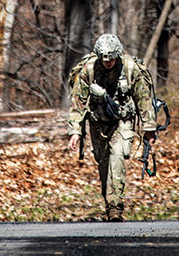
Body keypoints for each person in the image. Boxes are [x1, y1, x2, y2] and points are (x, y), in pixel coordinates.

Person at [67, 33, 157, 221]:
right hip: (97, 123)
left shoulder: (131, 69)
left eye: (111, 59)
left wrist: (149, 129)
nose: (108, 63)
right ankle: (109, 203)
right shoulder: (88, 69)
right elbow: (78, 103)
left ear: (118, 55)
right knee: (104, 164)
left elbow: (144, 100)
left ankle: (115, 207)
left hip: (122, 122)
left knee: (117, 157)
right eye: (104, 60)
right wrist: (75, 132)